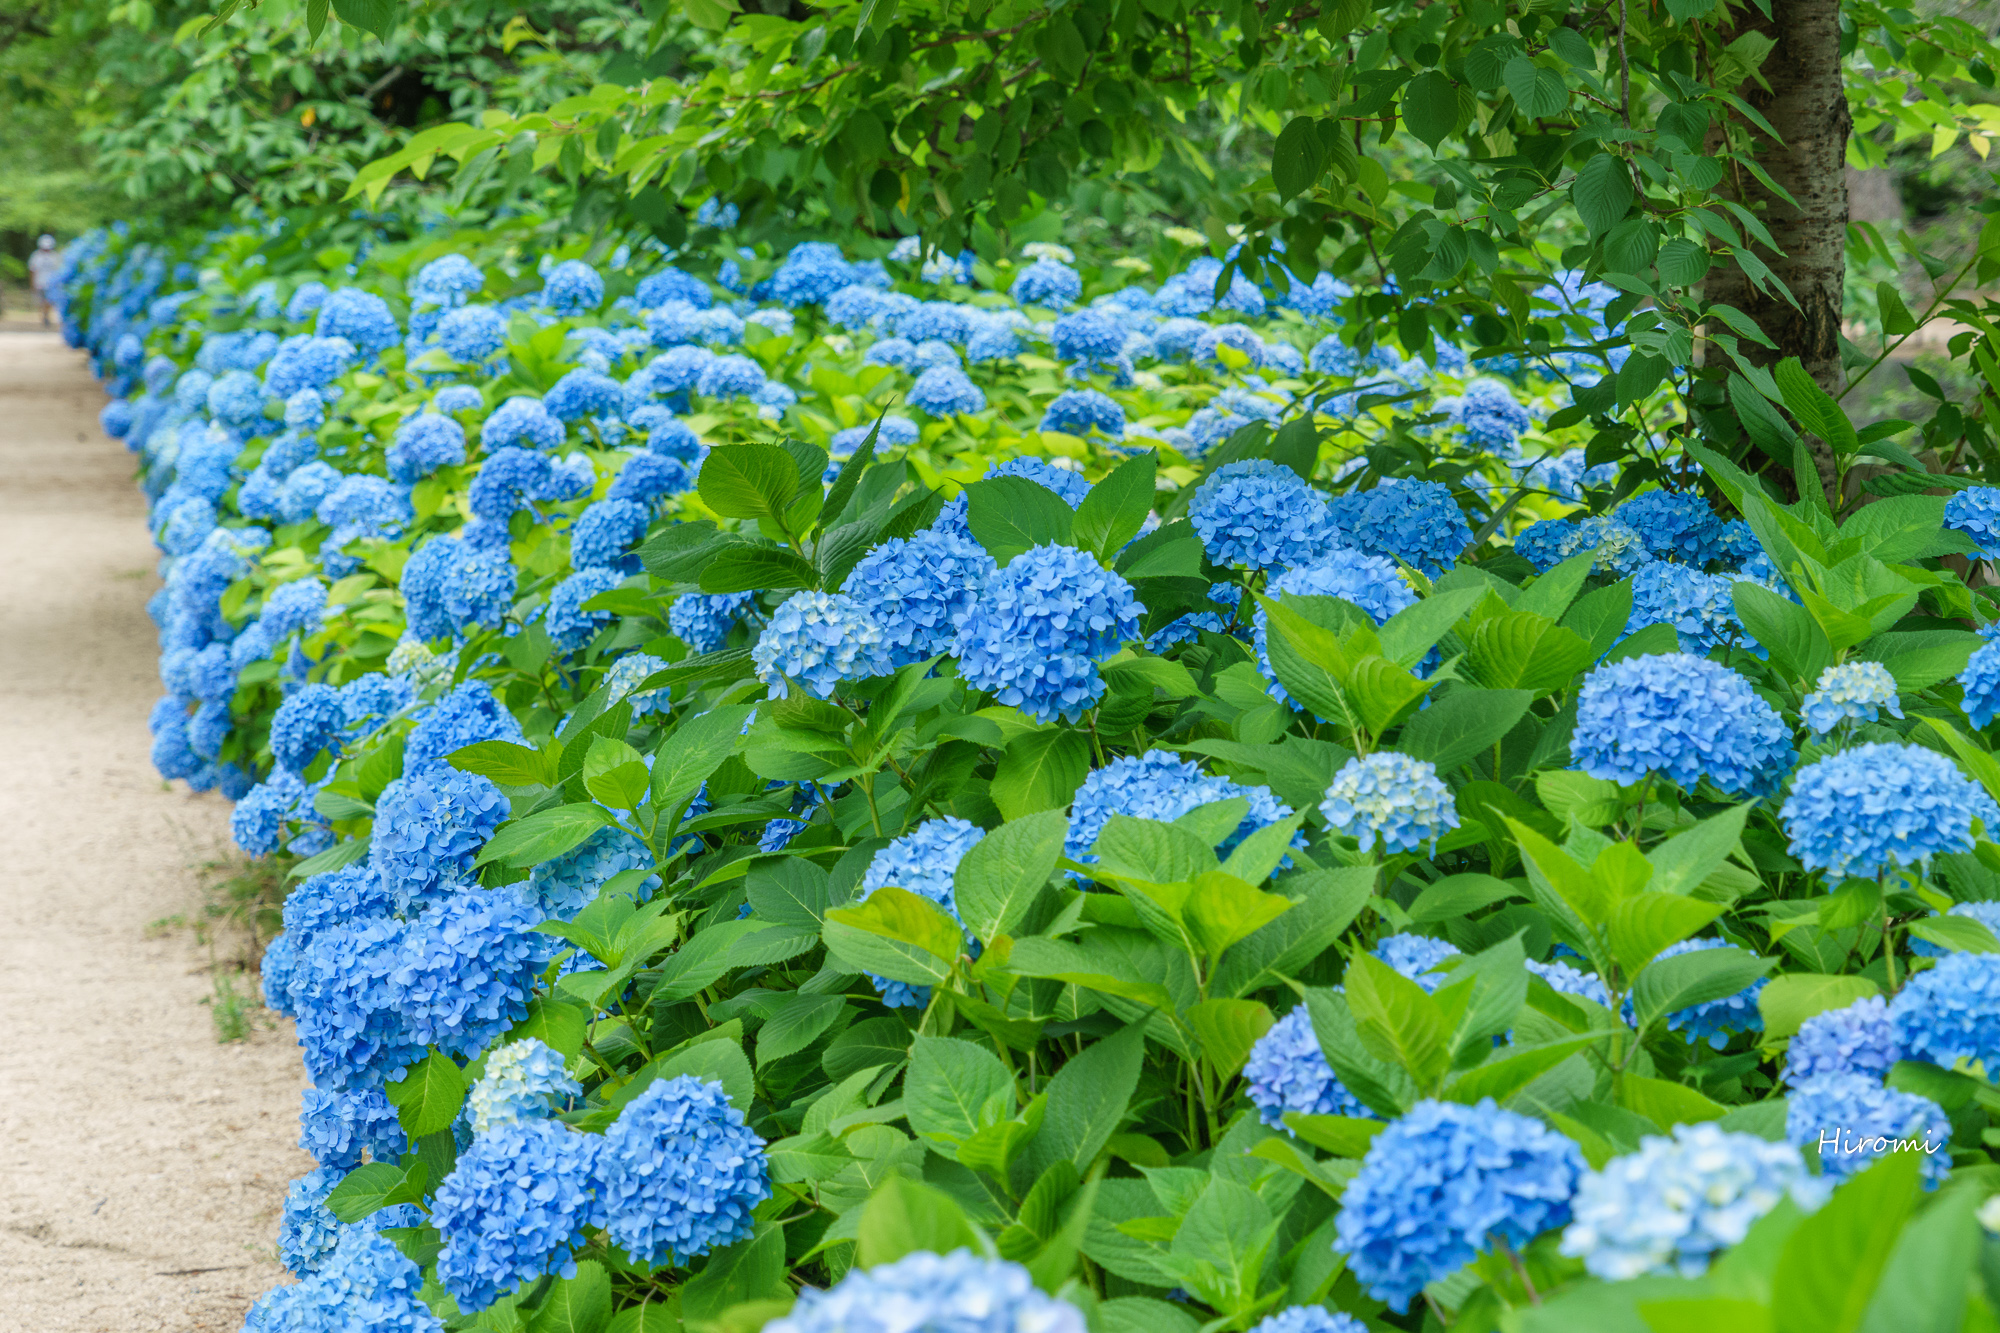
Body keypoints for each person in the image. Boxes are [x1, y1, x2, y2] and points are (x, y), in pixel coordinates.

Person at [28, 235, 61, 327]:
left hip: (51, 283)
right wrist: (32, 283)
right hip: (39, 283)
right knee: (41, 301)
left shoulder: (55, 256)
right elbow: (32, 270)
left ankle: (45, 316)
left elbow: (58, 270)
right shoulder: (36, 256)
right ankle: (44, 315)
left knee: (49, 301)